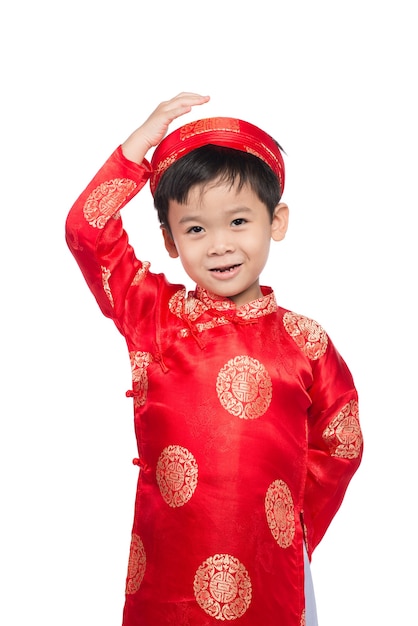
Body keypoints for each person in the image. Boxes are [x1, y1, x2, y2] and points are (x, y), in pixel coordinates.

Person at [66, 92, 363, 626]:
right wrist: (139, 146)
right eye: (196, 228)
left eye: (239, 222)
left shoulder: (306, 341)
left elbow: (341, 441)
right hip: (169, 566)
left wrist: (289, 527)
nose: (220, 245)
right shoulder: (155, 316)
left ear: (277, 221)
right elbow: (86, 232)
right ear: (171, 240)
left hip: (274, 565)